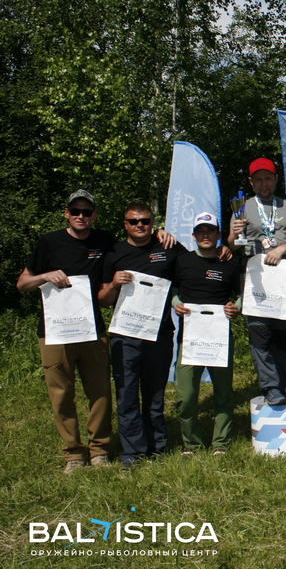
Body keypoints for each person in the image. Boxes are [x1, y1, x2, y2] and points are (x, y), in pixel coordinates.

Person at [16, 190, 117, 473]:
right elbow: (22, 284)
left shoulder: (105, 241)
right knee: (61, 394)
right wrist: (44, 276)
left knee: (100, 392)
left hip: (92, 330)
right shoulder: (49, 242)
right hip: (54, 331)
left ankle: (100, 450)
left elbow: (135, 247)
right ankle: (73, 454)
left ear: (95, 215)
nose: (80, 216)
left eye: (86, 211)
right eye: (75, 211)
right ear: (66, 213)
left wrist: (159, 234)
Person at [98, 203, 188, 467]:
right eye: (134, 221)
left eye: (146, 221)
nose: (140, 225)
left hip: (159, 334)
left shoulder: (168, 247)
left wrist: (224, 250)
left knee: (154, 393)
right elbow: (103, 300)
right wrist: (113, 284)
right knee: (126, 393)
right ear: (125, 224)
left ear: (152, 223)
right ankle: (132, 452)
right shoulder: (114, 252)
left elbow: (197, 262)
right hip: (125, 336)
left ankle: (157, 447)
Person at [228, 158, 286, 406]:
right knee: (260, 331)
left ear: (276, 179)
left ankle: (284, 382)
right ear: (251, 182)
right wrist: (234, 233)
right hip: (255, 276)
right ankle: (270, 386)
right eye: (258, 179)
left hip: (281, 275)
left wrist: (282, 248)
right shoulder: (243, 206)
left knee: (281, 332)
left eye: (268, 178)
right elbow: (232, 245)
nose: (264, 183)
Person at [172, 213, 243, 456]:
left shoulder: (230, 263)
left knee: (223, 393)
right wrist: (175, 303)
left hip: (219, 337)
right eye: (200, 231)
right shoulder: (182, 260)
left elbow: (243, 294)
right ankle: (191, 444)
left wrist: (236, 307)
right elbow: (171, 289)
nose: (205, 235)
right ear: (193, 235)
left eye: (210, 230)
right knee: (186, 396)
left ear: (218, 234)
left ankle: (221, 443)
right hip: (189, 338)